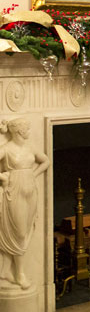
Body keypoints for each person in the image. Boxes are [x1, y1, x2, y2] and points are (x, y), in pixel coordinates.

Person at [0, 118, 50, 289]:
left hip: (30, 193)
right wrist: (3, 176)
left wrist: (33, 175)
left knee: (25, 230)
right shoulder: (5, 149)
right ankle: (19, 274)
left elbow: (46, 161)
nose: (29, 131)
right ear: (19, 131)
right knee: (19, 233)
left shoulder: (30, 148)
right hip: (13, 192)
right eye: (27, 128)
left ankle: (6, 270)